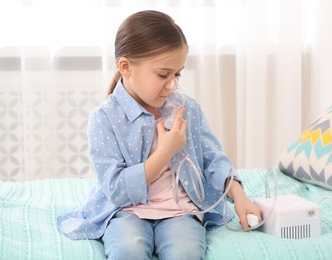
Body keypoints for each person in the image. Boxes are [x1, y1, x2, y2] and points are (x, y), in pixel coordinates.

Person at [57, 10, 261, 260]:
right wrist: (166, 151)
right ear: (125, 67)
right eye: (163, 74)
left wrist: (240, 197)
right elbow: (117, 190)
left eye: (177, 74)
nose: (172, 84)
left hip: (180, 212)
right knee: (127, 250)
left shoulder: (187, 109)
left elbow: (213, 158)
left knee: (185, 253)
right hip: (126, 211)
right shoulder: (104, 119)